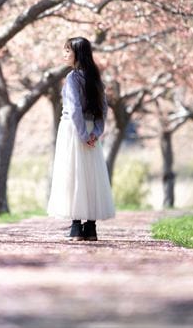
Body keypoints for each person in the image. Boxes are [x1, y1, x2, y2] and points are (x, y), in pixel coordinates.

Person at [47, 36, 115, 241]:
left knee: (73, 174)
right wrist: (95, 132)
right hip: (91, 129)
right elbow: (103, 109)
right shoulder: (95, 78)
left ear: (78, 53)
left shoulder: (72, 78)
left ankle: (76, 226)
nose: (64, 54)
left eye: (68, 50)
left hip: (73, 130)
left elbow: (74, 108)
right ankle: (91, 227)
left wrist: (83, 135)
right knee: (91, 175)